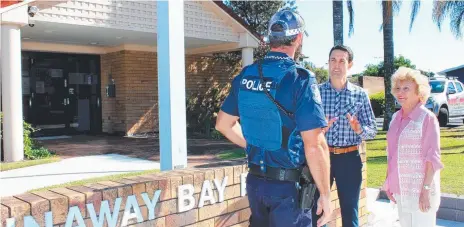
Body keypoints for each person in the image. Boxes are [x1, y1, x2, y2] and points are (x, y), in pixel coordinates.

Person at [215, 9, 332, 227]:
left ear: (270, 39)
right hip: (288, 190)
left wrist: (256, 144)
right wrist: (325, 194)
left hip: (256, 184)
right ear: (298, 38)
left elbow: (223, 124)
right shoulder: (300, 78)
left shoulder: (246, 75)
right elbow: (315, 145)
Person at [312, 45, 378, 227]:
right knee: (316, 210)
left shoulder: (360, 95)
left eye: (342, 61)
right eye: (333, 60)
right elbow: (303, 128)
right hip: (321, 157)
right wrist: (319, 130)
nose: (336, 65)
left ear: (350, 65)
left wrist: (359, 129)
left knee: (350, 212)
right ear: (328, 63)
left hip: (349, 159)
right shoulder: (315, 93)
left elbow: (372, 129)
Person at [382, 67, 443, 227]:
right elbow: (392, 154)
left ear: (419, 92)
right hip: (400, 189)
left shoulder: (427, 119)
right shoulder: (395, 118)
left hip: (420, 190)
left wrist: (426, 190)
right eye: (398, 88)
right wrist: (389, 181)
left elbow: (433, 158)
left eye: (406, 88)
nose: (400, 92)